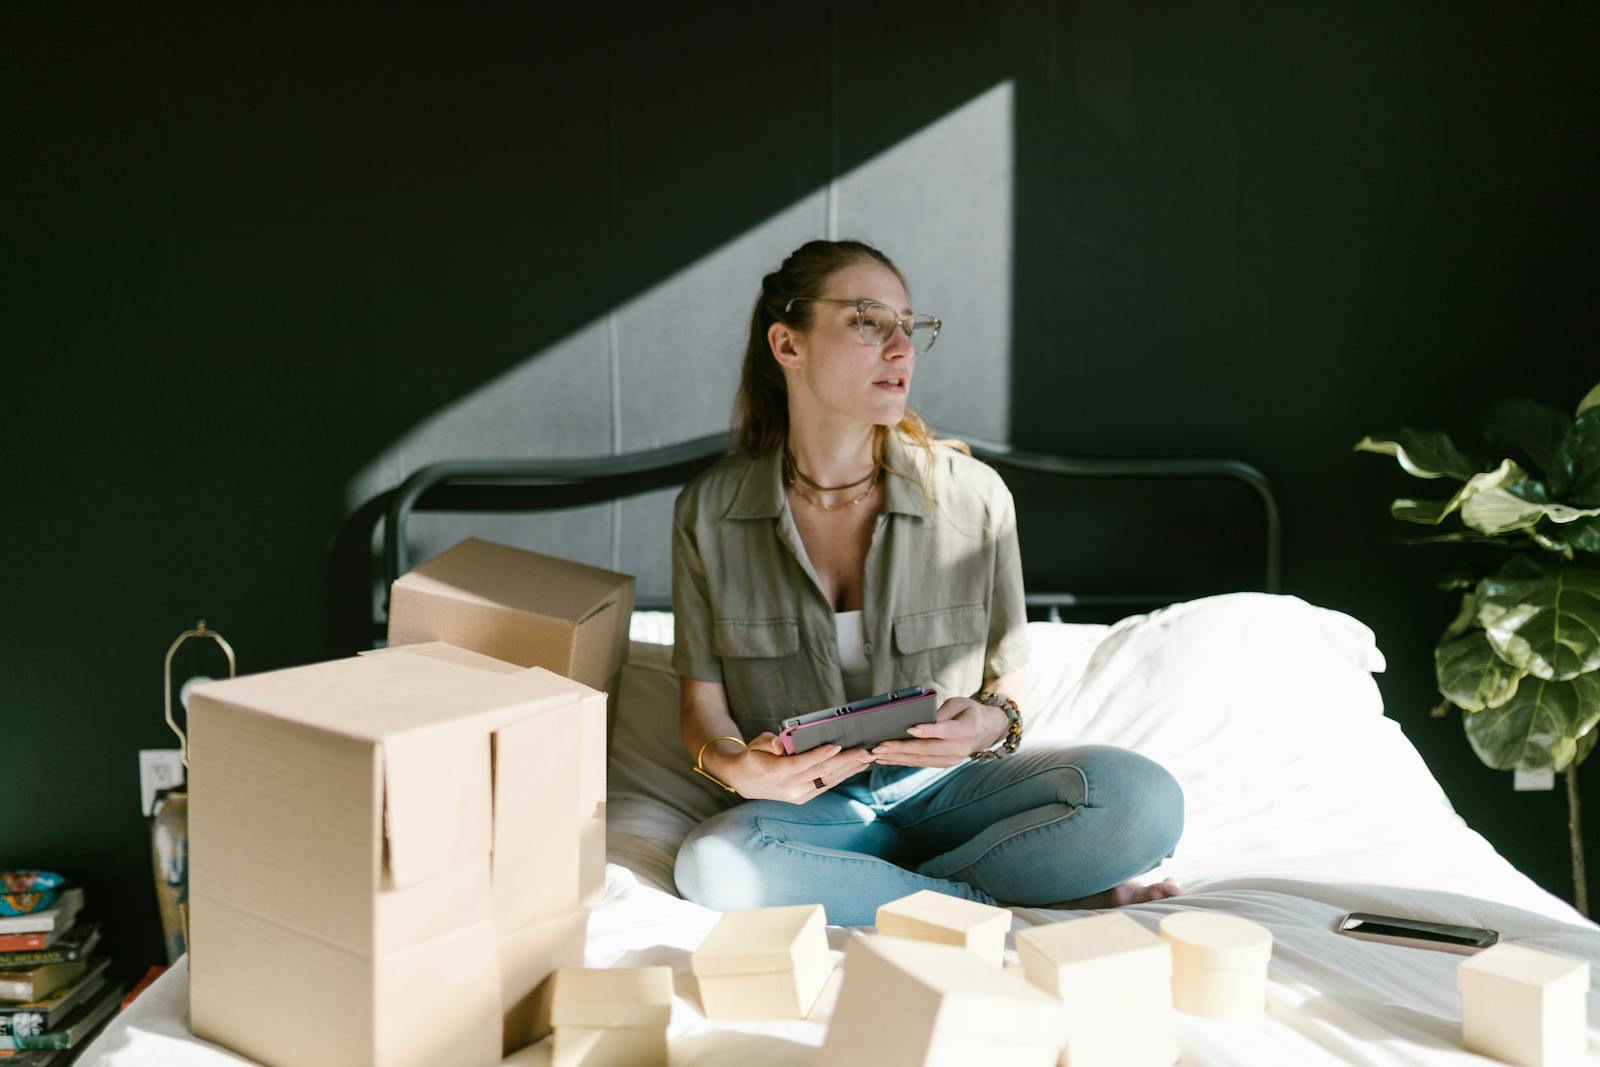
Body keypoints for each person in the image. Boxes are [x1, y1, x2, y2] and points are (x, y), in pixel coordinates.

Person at [669, 239, 1184, 926]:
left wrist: (984, 726)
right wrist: (736, 768)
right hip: (809, 809)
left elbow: (1007, 691)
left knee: (1143, 800)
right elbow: (703, 710)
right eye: (867, 321)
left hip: (954, 792)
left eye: (909, 327)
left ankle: (880, 890)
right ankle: (1003, 901)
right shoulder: (710, 511)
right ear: (787, 344)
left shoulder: (973, 499)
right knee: (712, 863)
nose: (900, 348)